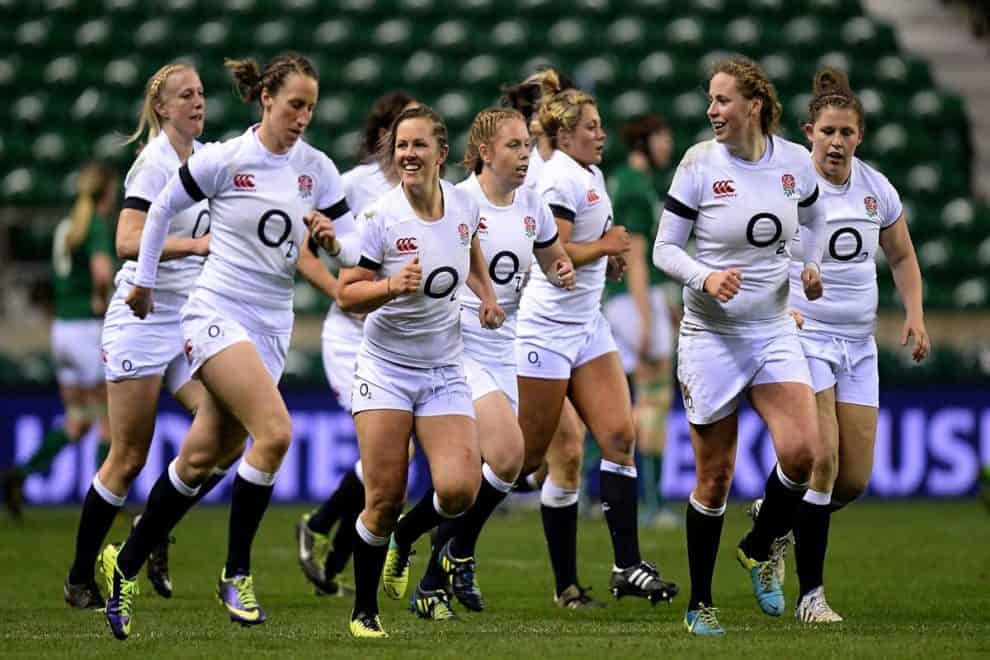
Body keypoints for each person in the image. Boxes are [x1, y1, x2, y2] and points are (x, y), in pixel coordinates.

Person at [97, 52, 359, 641]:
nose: (302, 118)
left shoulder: (317, 169)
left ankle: (126, 564)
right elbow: (160, 210)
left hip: (271, 327)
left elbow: (353, 245)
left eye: (311, 108)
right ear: (266, 99)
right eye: (294, 105)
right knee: (276, 432)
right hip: (215, 312)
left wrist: (333, 241)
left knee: (202, 458)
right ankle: (236, 573)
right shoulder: (225, 158)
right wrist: (143, 281)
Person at [653, 56, 827, 635]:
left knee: (802, 453)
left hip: (772, 327)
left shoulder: (795, 162)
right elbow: (663, 249)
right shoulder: (699, 164)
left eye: (722, 100)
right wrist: (705, 277)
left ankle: (758, 545)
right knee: (715, 477)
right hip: (711, 334)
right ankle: (700, 604)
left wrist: (809, 266)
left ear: (754, 105)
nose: (712, 109)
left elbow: (812, 223)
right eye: (710, 99)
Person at [756, 67, 929, 623]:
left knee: (852, 481)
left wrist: (915, 315)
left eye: (846, 132)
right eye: (827, 131)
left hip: (859, 344)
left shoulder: (877, 189)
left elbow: (902, 255)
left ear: (860, 136)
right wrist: (777, 307)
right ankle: (812, 598)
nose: (836, 142)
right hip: (805, 336)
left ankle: (772, 521)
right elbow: (757, 252)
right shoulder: (787, 188)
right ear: (809, 133)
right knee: (823, 461)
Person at [399, 108, 576, 618]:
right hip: (459, 342)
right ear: (484, 152)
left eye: (527, 146)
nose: (525, 156)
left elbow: (552, 259)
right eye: (514, 146)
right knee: (505, 455)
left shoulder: (533, 205)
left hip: (505, 344)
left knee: (504, 468)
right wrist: (477, 299)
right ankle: (446, 555)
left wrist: (562, 270)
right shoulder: (457, 201)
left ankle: (431, 558)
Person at [336, 104, 504, 638]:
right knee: (383, 498)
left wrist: (487, 295)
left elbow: (469, 247)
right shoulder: (380, 217)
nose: (408, 154)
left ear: (441, 153)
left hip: (443, 366)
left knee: (459, 491)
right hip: (386, 369)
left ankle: (405, 540)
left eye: (418, 145)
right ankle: (365, 613)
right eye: (401, 146)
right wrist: (390, 286)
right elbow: (346, 294)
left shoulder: (463, 204)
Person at [60, 63, 219, 611]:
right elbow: (128, 240)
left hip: (188, 316)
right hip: (142, 315)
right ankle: (80, 576)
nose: (197, 102)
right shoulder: (153, 164)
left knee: (225, 430)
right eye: (185, 95)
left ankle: (149, 532)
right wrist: (194, 247)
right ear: (161, 107)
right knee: (128, 457)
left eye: (201, 93)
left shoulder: (205, 159)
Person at [514, 86, 679, 610]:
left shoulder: (591, 174)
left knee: (619, 435)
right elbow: (554, 252)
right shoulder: (560, 177)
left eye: (601, 125)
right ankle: (447, 543)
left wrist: (606, 260)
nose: (602, 134)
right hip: (547, 328)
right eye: (591, 126)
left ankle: (626, 566)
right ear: (565, 134)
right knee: (522, 460)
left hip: (587, 325)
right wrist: (605, 247)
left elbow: (582, 249)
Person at [296, 91, 416, 597]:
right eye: (405, 133)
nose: (414, 147)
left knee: (390, 461)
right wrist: (341, 294)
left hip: (396, 340)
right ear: (385, 135)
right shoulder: (351, 185)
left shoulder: (431, 192)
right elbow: (302, 253)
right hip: (350, 339)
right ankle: (323, 530)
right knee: (388, 454)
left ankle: (328, 551)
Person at [501, 68, 600, 609]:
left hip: (552, 325)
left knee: (567, 452)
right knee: (514, 461)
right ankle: (441, 545)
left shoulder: (569, 170)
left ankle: (565, 587)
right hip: (519, 328)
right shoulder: (525, 171)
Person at [2, 162, 115, 521]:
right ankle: (105, 503)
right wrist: (103, 298)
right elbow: (102, 271)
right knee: (110, 419)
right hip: (86, 329)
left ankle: (18, 474)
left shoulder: (68, 224)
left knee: (78, 420)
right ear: (106, 191)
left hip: (63, 330)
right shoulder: (95, 224)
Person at [603, 113, 679, 529]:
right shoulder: (636, 186)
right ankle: (652, 503)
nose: (667, 145)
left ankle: (594, 493)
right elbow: (634, 255)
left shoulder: (624, 180)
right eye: (662, 137)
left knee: (631, 402)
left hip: (624, 300)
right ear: (644, 141)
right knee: (653, 400)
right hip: (635, 299)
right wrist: (648, 318)